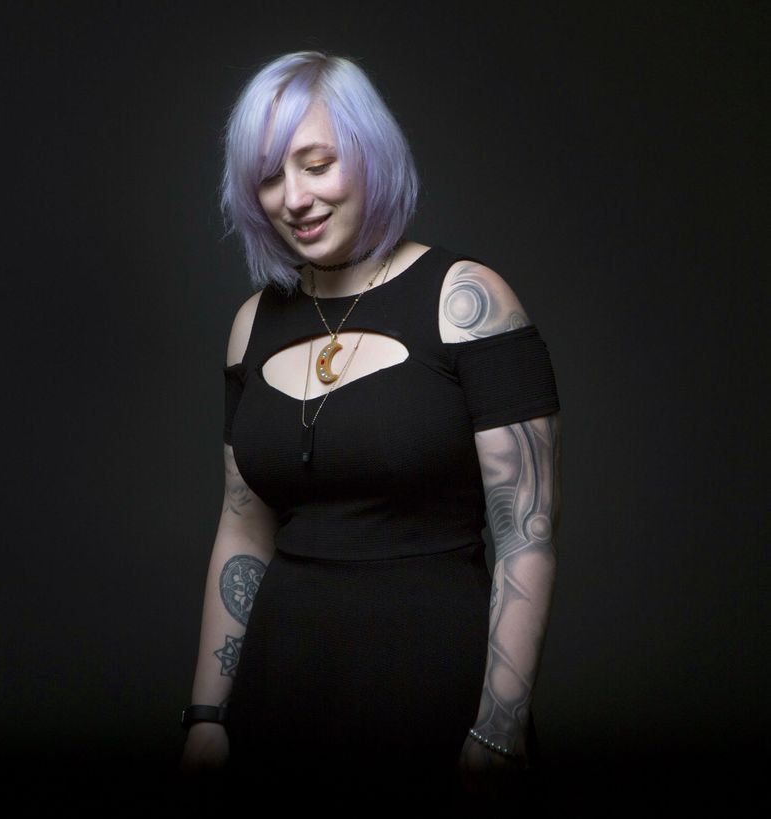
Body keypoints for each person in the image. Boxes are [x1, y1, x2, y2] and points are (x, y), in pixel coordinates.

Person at [180, 50, 561, 806]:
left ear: (370, 155)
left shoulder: (468, 302)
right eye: (269, 177)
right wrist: (207, 715)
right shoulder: (251, 325)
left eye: (318, 164)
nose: (295, 198)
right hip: (278, 696)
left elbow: (527, 533)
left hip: (433, 697)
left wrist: (499, 726)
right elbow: (243, 527)